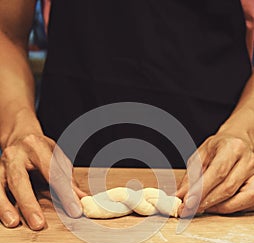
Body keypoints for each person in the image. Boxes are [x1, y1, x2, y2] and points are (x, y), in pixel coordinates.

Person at [0, 0, 253, 230]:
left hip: (220, 169)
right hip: (59, 174)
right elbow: (5, 34)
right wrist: (18, 127)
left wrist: (244, 130)